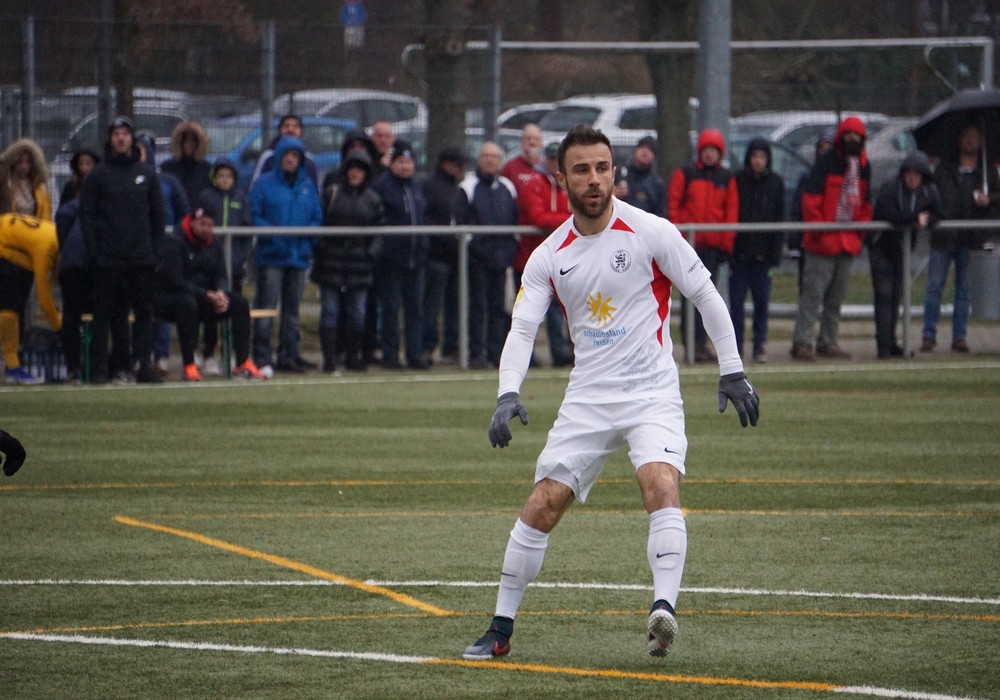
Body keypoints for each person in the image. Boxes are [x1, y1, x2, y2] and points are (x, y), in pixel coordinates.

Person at [463, 124, 760, 662]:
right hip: (588, 398)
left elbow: (705, 293)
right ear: (562, 180)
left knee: (660, 485)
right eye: (581, 170)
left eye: (602, 168)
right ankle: (499, 628)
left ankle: (663, 611)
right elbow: (523, 329)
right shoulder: (549, 255)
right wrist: (508, 392)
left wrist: (732, 369)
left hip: (652, 392)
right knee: (543, 503)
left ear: (614, 172)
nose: (594, 179)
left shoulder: (651, 231)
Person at [79, 116, 165, 384]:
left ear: (132, 139)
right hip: (108, 258)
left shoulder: (147, 175)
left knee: (143, 314)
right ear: (110, 139)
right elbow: (87, 216)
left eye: (125, 134)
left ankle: (144, 366)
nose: (120, 138)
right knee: (104, 314)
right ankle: (100, 369)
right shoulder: (98, 175)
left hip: (141, 258)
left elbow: (158, 215)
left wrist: (156, 251)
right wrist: (95, 252)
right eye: (116, 133)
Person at [791, 116, 872, 362]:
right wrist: (821, 231)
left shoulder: (864, 167)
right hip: (822, 243)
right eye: (849, 135)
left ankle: (828, 341)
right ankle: (802, 342)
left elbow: (865, 205)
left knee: (836, 298)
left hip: (846, 242)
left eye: (856, 136)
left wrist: (857, 234)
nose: (852, 139)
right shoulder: (825, 162)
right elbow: (811, 201)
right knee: (812, 296)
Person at [154, 204, 265, 381]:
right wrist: (205, 294)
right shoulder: (174, 242)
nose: (206, 229)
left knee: (239, 303)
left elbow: (221, 275)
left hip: (206, 298)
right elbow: (175, 281)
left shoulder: (214, 244)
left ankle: (243, 362)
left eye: (210, 225)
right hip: (174, 300)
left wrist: (220, 293)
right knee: (187, 303)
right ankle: (189, 365)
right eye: (202, 224)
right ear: (192, 222)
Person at [922, 123, 999, 354]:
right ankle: (928, 334)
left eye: (975, 137)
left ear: (981, 142)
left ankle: (959, 336)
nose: (970, 141)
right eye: (967, 136)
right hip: (943, 237)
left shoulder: (987, 172)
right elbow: (931, 195)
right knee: (935, 286)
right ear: (959, 140)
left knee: (964, 289)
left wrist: (989, 200)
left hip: (970, 238)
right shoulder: (944, 168)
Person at [249, 135, 322, 375]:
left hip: (298, 256)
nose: (290, 159)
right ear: (279, 157)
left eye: (295, 156)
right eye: (287, 155)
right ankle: (262, 355)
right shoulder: (263, 184)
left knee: (292, 310)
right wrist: (273, 236)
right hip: (272, 255)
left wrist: (308, 239)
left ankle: (289, 354)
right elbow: (255, 214)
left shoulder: (307, 186)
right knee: (266, 307)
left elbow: (316, 217)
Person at [668, 128, 738, 363]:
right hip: (689, 246)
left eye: (713, 151)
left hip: (712, 248)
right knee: (689, 298)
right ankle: (692, 344)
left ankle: (702, 344)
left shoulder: (726, 178)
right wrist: (678, 239)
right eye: (706, 150)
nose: (709, 154)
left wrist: (726, 244)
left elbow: (731, 212)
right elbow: (674, 206)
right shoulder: (686, 174)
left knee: (707, 298)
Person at [311, 149, 384, 373]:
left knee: (357, 314)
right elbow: (319, 223)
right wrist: (324, 248)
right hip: (331, 264)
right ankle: (329, 359)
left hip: (360, 266)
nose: (355, 173)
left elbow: (380, 231)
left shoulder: (373, 200)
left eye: (359, 170)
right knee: (330, 312)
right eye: (351, 169)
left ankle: (354, 357)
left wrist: (370, 253)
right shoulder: (331, 194)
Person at [872, 152, 945, 359]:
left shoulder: (929, 190)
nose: (912, 177)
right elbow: (886, 213)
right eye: (908, 173)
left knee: (897, 295)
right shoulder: (891, 186)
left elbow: (940, 213)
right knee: (884, 295)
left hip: (902, 249)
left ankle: (892, 342)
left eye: (916, 173)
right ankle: (883, 346)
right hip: (881, 246)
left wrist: (927, 219)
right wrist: (913, 219)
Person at [455, 142, 520, 369]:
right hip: (476, 262)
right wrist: (477, 249)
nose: (490, 160)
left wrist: (509, 250)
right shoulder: (467, 187)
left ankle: (496, 352)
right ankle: (476, 353)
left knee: (498, 308)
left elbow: (515, 222)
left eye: (494, 157)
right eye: (486, 156)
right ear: (479, 159)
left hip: (501, 260)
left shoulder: (508, 188)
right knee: (477, 307)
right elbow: (459, 224)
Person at [134, 130, 190, 377]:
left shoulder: (167, 181)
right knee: (140, 304)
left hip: (165, 251)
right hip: (137, 250)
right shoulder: (127, 179)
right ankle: (140, 355)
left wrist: (172, 240)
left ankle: (161, 356)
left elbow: (184, 213)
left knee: (165, 302)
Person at [514, 141, 574, 368]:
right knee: (528, 312)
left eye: (559, 160)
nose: (555, 164)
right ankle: (524, 356)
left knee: (558, 309)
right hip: (530, 259)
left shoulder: (566, 186)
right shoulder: (535, 183)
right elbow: (539, 218)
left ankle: (560, 352)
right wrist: (572, 220)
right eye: (551, 159)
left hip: (559, 260)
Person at [370, 140, 429, 370]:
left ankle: (415, 354)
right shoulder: (382, 186)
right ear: (392, 163)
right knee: (391, 310)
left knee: (415, 309)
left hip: (416, 259)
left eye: (409, 162)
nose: (405, 166)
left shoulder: (417, 185)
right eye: (401, 162)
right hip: (391, 260)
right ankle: (391, 355)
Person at [730, 137, 785, 363]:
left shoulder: (776, 183)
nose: (758, 161)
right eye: (754, 156)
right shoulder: (738, 181)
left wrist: (775, 253)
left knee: (762, 303)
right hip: (740, 257)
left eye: (762, 157)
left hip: (764, 258)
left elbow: (780, 218)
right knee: (736, 304)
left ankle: (759, 345)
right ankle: (737, 347)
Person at [0, 212, 62, 385]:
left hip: (7, 235)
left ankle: (12, 367)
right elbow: (43, 298)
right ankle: (12, 368)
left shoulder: (53, 232)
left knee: (14, 308)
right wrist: (60, 328)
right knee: (9, 310)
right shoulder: (47, 250)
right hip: (4, 243)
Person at [420, 147, 466, 362]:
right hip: (435, 255)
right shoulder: (429, 186)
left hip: (456, 256)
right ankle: (427, 347)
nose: (461, 169)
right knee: (432, 305)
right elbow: (426, 218)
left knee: (454, 304)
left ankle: (451, 346)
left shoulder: (458, 188)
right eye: (457, 164)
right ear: (446, 164)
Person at [250, 115, 319, 188]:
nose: (290, 130)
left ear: (301, 131)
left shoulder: (308, 160)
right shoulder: (268, 157)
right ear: (280, 130)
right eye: (286, 126)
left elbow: (315, 189)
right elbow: (255, 186)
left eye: (295, 126)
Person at [160, 120, 214, 207]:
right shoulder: (167, 167)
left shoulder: (208, 169)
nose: (189, 145)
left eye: (193, 141)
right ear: (179, 142)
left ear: (199, 143)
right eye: (185, 141)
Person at [615, 135, 667, 217]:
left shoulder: (657, 184)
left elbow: (661, 213)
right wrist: (614, 195)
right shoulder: (619, 173)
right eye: (642, 147)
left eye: (650, 149)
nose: (645, 152)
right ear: (635, 150)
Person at [2, 137, 52, 221]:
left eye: (28, 162)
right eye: (20, 162)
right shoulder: (6, 183)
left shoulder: (41, 187)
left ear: (34, 164)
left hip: (34, 228)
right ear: (13, 161)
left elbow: (46, 216)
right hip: (9, 228)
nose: (24, 166)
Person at [500, 124, 543, 195]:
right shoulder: (510, 168)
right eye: (528, 138)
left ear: (541, 144)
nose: (532, 142)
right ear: (522, 142)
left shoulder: (545, 168)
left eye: (536, 139)